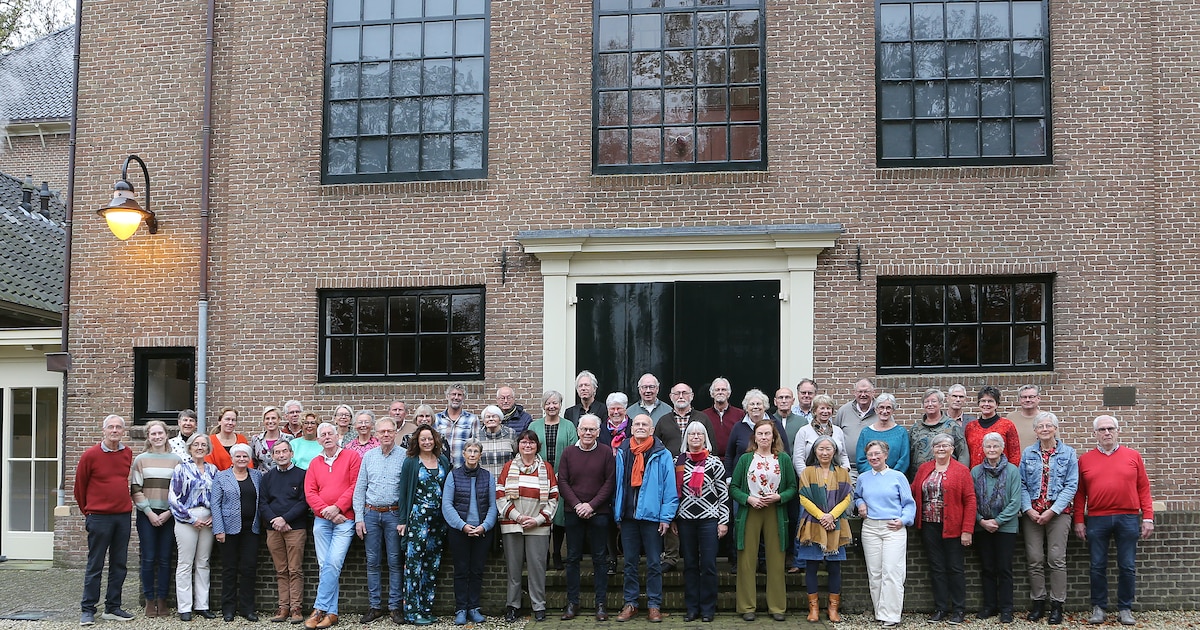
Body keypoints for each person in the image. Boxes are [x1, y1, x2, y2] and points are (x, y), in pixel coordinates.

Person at [1074, 415, 1153, 626]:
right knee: (1097, 565)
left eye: (1110, 428)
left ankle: (1125, 608)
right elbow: (1080, 493)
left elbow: (1143, 488)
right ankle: (1099, 607)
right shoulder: (1085, 460)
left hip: (1127, 517)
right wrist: (1079, 520)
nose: (1106, 433)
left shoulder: (1133, 456)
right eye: (1102, 430)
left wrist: (1148, 518)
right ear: (1095, 434)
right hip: (1097, 519)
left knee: (1127, 566)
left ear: (1118, 431)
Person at [729, 419, 797, 622]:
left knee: (776, 559)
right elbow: (733, 488)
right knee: (747, 559)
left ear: (774, 436)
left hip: (775, 511)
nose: (764, 437)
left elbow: (793, 487)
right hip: (751, 510)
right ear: (755, 437)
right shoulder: (745, 459)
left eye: (768, 434)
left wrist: (780, 497)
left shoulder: (783, 459)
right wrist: (748, 499)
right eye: (760, 434)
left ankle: (777, 607)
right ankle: (747, 606)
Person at [613, 414, 678, 623]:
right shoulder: (622, 451)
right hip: (628, 517)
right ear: (632, 429)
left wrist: (666, 518)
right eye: (637, 424)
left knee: (653, 563)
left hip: (652, 518)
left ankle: (654, 605)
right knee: (630, 563)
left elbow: (669, 489)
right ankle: (630, 603)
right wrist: (617, 513)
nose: (640, 427)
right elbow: (616, 485)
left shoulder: (662, 453)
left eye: (645, 425)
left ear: (652, 430)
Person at [77, 414, 137, 625]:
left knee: (119, 564)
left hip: (122, 516)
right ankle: (88, 609)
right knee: (95, 564)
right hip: (99, 517)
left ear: (123, 431)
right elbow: (79, 488)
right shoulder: (90, 455)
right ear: (104, 430)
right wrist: (89, 512)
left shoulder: (127, 453)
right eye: (110, 427)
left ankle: (112, 607)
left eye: (118, 428)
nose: (114, 431)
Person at [911, 433, 977, 625]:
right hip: (929, 525)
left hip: (954, 526)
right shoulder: (924, 468)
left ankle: (958, 610)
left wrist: (967, 530)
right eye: (938, 446)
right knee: (936, 568)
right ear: (932, 449)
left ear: (952, 449)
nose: (941, 448)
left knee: (955, 568)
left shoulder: (961, 471)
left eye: (945, 445)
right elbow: (913, 490)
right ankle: (940, 608)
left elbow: (970, 501)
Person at [1019, 412, 1077, 625]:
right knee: (1034, 558)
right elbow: (1022, 483)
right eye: (1040, 426)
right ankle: (1038, 602)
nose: (1044, 429)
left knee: (1056, 559)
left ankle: (1057, 604)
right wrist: (1028, 509)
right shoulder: (1028, 453)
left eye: (1048, 425)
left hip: (1058, 514)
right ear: (1035, 431)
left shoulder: (1068, 453)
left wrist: (1053, 510)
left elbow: (1072, 485)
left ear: (1055, 428)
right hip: (1032, 514)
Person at [304, 422, 363, 629]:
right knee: (325, 566)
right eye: (323, 435)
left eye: (330, 433)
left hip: (345, 519)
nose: (327, 437)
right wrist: (327, 512)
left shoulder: (351, 457)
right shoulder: (314, 463)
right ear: (318, 439)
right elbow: (310, 492)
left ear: (338, 436)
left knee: (333, 563)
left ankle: (319, 609)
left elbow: (356, 485)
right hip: (322, 520)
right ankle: (332, 613)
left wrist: (338, 508)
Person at [557, 414, 616, 622]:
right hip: (574, 513)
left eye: (592, 430)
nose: (588, 433)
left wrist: (591, 505)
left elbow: (609, 482)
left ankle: (600, 604)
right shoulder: (568, 453)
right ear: (578, 431)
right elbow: (562, 481)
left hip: (598, 513)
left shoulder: (606, 453)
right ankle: (572, 603)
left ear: (599, 432)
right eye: (584, 429)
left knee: (600, 559)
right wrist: (577, 505)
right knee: (572, 558)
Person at [497, 430, 559, 622]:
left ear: (537, 446)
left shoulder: (546, 468)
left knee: (537, 568)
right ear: (519, 446)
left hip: (538, 526)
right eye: (523, 442)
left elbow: (553, 497)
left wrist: (538, 520)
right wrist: (516, 516)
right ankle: (513, 606)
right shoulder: (508, 467)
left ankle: (538, 606)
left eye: (531, 443)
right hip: (512, 525)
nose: (527, 446)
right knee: (514, 569)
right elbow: (500, 495)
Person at [854, 440, 915, 629]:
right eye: (870, 454)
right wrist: (860, 504)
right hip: (870, 527)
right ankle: (880, 611)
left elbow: (909, 503)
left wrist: (903, 520)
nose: (873, 457)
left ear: (885, 455)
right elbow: (857, 496)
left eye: (877, 454)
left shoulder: (897, 477)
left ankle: (892, 615)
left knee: (892, 572)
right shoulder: (863, 478)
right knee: (875, 573)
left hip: (892, 528)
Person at [672, 421, 729, 623]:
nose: (695, 437)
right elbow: (673, 494)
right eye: (691, 434)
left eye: (699, 434)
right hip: (685, 520)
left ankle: (707, 609)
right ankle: (692, 608)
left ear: (705, 438)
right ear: (686, 438)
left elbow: (723, 493)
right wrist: (672, 519)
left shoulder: (714, 463)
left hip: (709, 520)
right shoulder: (677, 462)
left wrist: (723, 521)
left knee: (708, 565)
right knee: (689, 565)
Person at [352, 417, 407, 624]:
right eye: (382, 431)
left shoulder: (405, 456)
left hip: (394, 514)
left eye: (389, 431)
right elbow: (360, 489)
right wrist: (359, 518)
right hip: (371, 514)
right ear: (376, 434)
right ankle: (375, 606)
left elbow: (407, 490)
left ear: (395, 433)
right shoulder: (368, 457)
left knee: (395, 561)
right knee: (372, 562)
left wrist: (404, 518)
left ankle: (395, 607)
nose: (386, 435)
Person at [397, 425, 451, 625]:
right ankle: (412, 611)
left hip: (439, 520)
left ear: (435, 440)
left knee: (432, 564)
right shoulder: (410, 463)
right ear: (417, 442)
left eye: (430, 439)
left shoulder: (443, 461)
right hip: (417, 519)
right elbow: (403, 494)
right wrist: (403, 520)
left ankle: (427, 608)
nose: (427, 442)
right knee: (413, 565)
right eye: (423, 439)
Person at [795, 436, 852, 623]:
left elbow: (846, 498)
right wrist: (821, 516)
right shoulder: (808, 472)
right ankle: (814, 609)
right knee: (811, 567)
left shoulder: (843, 472)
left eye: (828, 449)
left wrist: (831, 516)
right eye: (821, 449)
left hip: (836, 525)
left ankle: (833, 609)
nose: (825, 452)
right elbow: (803, 497)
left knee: (835, 567)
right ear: (815, 451)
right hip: (813, 524)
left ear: (834, 451)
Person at [658, 382, 713, 572]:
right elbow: (657, 447)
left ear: (691, 396)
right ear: (671, 397)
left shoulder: (702, 418)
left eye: (685, 393)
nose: (681, 396)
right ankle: (671, 556)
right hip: (673, 472)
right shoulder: (664, 420)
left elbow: (710, 443)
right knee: (673, 510)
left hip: (700, 470)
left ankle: (697, 556)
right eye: (676, 393)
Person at [442, 439, 497, 626]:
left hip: (482, 532)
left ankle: (474, 608)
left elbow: (492, 505)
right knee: (461, 571)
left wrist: (485, 526)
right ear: (463, 454)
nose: (472, 454)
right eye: (469, 451)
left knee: (476, 570)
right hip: (459, 532)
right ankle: (460, 609)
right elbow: (447, 505)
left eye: (476, 451)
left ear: (480, 455)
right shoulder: (453, 476)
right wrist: (462, 526)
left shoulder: (488, 477)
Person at [130, 420, 181, 618]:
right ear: (148, 437)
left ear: (166, 435)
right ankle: (149, 600)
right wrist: (149, 512)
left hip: (169, 515)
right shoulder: (141, 460)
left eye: (160, 433)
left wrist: (169, 511)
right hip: (147, 515)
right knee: (149, 558)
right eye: (153, 434)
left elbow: (179, 490)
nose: (157, 437)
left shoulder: (176, 460)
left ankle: (163, 599)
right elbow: (135, 488)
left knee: (166, 559)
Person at [971, 432, 1022, 623]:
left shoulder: (1012, 471)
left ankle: (1006, 608)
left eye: (995, 446)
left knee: (1004, 568)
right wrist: (981, 521)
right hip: (982, 527)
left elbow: (1015, 501)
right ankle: (989, 606)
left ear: (1002, 449)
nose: (991, 450)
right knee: (987, 568)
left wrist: (998, 521)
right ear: (983, 449)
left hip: (1006, 528)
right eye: (988, 447)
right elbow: (971, 500)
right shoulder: (976, 472)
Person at [169, 433, 218, 621]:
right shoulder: (181, 469)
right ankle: (184, 607)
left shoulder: (213, 470)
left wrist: (214, 516)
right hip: (186, 519)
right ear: (189, 448)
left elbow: (218, 496)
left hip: (208, 519)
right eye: (196, 444)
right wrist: (190, 519)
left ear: (208, 449)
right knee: (185, 563)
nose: (199, 447)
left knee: (203, 562)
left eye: (203, 445)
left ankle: (202, 605)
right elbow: (173, 498)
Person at [211, 443, 263, 622]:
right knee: (229, 569)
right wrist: (219, 529)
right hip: (228, 530)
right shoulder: (221, 477)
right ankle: (228, 609)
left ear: (249, 459)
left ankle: (247, 609)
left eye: (245, 456)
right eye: (238, 456)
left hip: (252, 529)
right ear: (232, 458)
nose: (241, 459)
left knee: (249, 568)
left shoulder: (257, 476)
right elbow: (215, 504)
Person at [259, 439, 309, 623]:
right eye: (277, 453)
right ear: (272, 456)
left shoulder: (302, 475)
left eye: (284, 452)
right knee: (280, 570)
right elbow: (263, 503)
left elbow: (304, 502)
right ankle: (283, 608)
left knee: (295, 569)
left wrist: (285, 519)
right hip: (273, 529)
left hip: (295, 528)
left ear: (291, 453)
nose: (281, 455)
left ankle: (296, 608)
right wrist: (275, 520)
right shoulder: (267, 477)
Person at [528, 390, 577, 570]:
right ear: (543, 405)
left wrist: (561, 474)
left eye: (555, 403)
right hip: (538, 477)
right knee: (541, 515)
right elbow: (528, 450)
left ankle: (557, 553)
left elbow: (573, 452)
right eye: (548, 403)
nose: (552, 406)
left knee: (559, 517)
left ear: (560, 405)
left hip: (562, 478)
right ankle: (544, 555)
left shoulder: (569, 426)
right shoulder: (534, 426)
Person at [908, 388, 969, 478]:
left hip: (948, 478)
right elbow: (910, 455)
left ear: (941, 404)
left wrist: (961, 476)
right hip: (920, 478)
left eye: (933, 401)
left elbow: (963, 453)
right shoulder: (915, 428)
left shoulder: (952, 426)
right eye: (926, 402)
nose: (930, 404)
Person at [855, 393, 910, 477]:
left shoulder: (901, 432)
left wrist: (890, 475)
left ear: (893, 410)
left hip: (894, 479)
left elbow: (904, 459)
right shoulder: (865, 432)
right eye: (881, 407)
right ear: (876, 410)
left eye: (888, 408)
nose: (884, 411)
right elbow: (861, 459)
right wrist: (875, 475)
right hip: (871, 478)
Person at [964, 386, 1020, 468]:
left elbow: (1015, 455)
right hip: (975, 475)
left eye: (990, 401)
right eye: (983, 401)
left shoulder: (1007, 425)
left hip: (1001, 475)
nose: (986, 404)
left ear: (997, 404)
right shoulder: (970, 427)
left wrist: (1010, 473)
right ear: (979, 404)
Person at [434, 383, 479, 468]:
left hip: (463, 468)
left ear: (463, 398)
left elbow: (476, 444)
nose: (456, 397)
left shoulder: (472, 419)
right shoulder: (437, 419)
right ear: (447, 396)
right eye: (453, 394)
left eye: (459, 395)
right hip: (441, 467)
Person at [834, 378, 877, 464]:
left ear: (873, 393)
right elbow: (835, 435)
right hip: (848, 466)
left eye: (866, 391)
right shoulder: (843, 411)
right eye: (860, 392)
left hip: (874, 466)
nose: (863, 395)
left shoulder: (881, 411)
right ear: (854, 393)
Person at [702, 377, 745, 456]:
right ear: (712, 393)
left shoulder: (740, 414)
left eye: (723, 390)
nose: (720, 392)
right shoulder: (704, 416)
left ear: (728, 393)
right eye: (717, 390)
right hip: (710, 460)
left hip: (734, 459)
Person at [474, 404, 517, 479]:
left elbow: (517, 456)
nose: (491, 419)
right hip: (484, 481)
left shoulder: (511, 433)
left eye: (494, 416)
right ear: (484, 421)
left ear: (500, 419)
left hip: (506, 480)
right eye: (487, 417)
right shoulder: (477, 436)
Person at [207, 407, 252, 471]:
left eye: (233, 420)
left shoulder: (242, 439)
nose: (230, 423)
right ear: (219, 421)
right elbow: (209, 466)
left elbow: (249, 463)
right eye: (227, 419)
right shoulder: (210, 441)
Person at [250, 406, 293, 470]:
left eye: (273, 418)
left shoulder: (289, 439)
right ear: (263, 421)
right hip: (262, 478)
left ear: (279, 420)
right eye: (267, 418)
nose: (270, 421)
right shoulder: (256, 440)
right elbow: (253, 462)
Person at [772, 386, 809, 451]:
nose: (784, 401)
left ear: (793, 401)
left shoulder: (802, 422)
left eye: (787, 397)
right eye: (780, 398)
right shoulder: (769, 420)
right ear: (775, 401)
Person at [1012, 384, 1043, 451]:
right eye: (1024, 397)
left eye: (1031, 397)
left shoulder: (1048, 418)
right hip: (1016, 461)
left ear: (1038, 398)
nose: (1027, 400)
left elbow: (1056, 444)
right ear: (1019, 400)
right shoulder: (1011, 418)